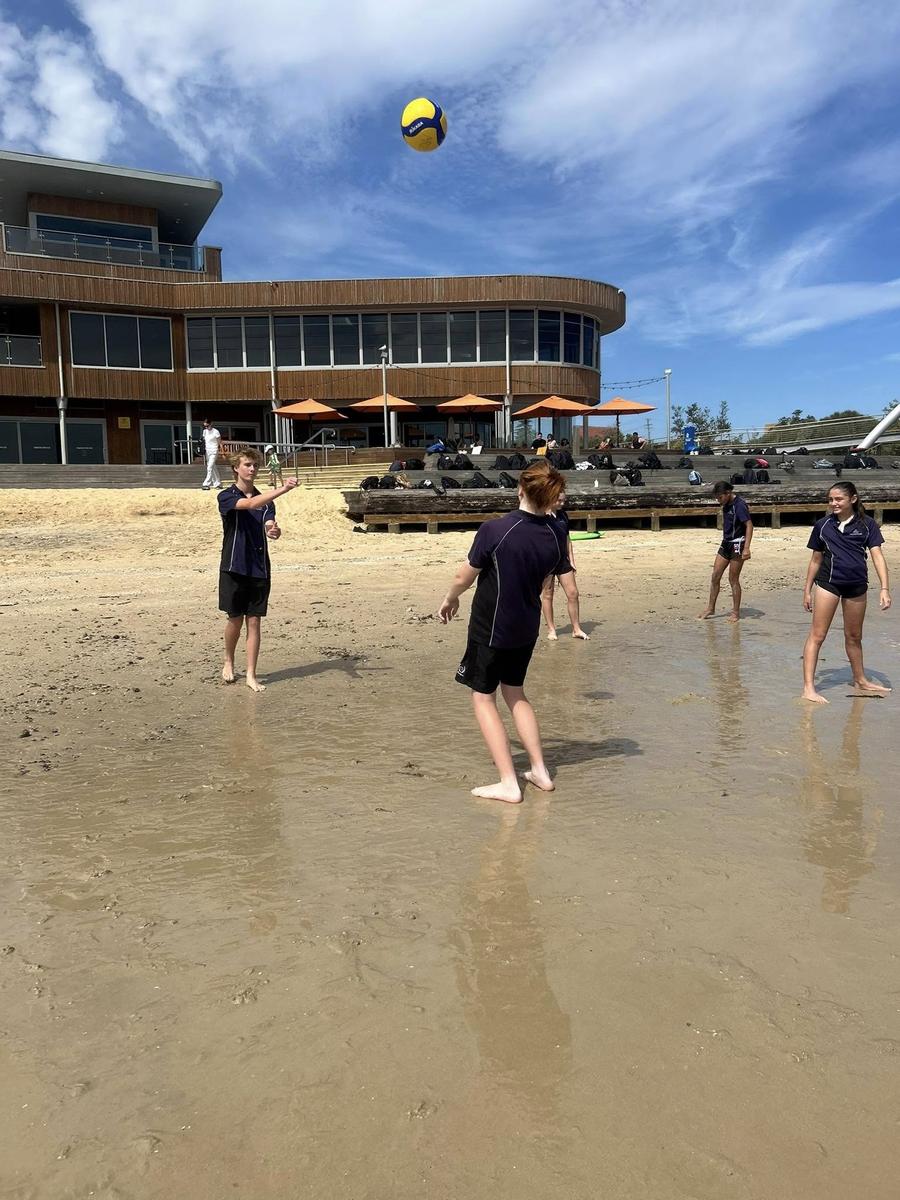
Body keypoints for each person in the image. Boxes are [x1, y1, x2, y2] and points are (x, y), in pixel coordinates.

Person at [438, 462, 567, 803]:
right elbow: (547, 578)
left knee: (483, 698)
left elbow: (463, 577)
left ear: (520, 490)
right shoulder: (557, 532)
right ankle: (539, 771)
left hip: (492, 627)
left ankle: (509, 783)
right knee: (516, 693)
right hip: (526, 626)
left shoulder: (496, 529)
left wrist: (450, 599)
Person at [801, 481, 891, 703]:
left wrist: (884, 588)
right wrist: (807, 590)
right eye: (831, 500)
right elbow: (815, 560)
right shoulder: (822, 525)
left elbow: (877, 556)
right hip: (828, 584)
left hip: (857, 585)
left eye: (838, 499)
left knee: (854, 636)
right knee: (817, 635)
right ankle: (809, 688)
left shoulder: (868, 524)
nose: (834, 503)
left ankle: (860, 680)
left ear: (853, 499)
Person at [218, 448, 298, 692]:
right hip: (234, 566)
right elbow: (250, 503)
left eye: (255, 465)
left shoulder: (267, 501)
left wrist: (273, 530)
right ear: (236, 468)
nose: (252, 469)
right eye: (247, 465)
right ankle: (229, 660)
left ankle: (251, 674)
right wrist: (284, 488)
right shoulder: (226, 496)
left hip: (259, 567)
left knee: (254, 621)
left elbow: (268, 523)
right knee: (235, 619)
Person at [698, 481, 753, 621]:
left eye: (720, 497)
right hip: (726, 543)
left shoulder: (739, 505)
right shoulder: (726, 504)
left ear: (728, 493)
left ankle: (735, 612)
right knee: (715, 576)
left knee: (733, 579)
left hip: (738, 544)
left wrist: (746, 548)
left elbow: (749, 525)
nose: (718, 500)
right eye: (717, 498)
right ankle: (711, 608)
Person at [541, 486, 590, 640]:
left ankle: (576, 629)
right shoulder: (541, 515)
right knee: (548, 594)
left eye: (564, 500)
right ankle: (551, 630)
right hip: (547, 560)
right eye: (559, 500)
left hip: (563, 560)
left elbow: (567, 539)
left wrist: (572, 560)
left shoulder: (563, 515)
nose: (562, 503)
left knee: (573, 593)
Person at [201, 417, 223, 490]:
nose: (206, 427)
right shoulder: (205, 432)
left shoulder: (215, 431)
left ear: (211, 424)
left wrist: (222, 452)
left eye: (207, 426)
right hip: (207, 451)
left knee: (209, 467)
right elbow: (204, 441)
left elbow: (219, 442)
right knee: (213, 467)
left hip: (214, 450)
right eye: (204, 426)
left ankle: (206, 484)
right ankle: (218, 484)